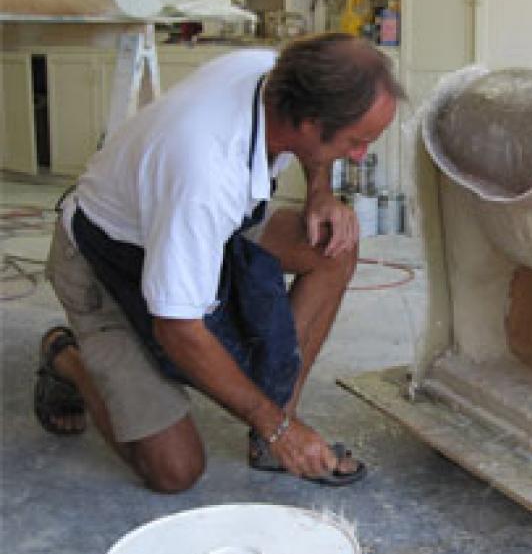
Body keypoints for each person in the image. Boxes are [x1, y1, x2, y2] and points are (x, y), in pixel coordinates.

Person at [34, 33, 404, 492]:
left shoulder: (277, 75)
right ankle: (67, 356)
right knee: (174, 470)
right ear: (309, 123)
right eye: (357, 141)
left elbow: (312, 154)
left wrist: (320, 194)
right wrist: (272, 422)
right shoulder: (204, 175)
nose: (360, 155)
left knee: (334, 245)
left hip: (196, 227)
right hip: (103, 260)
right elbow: (178, 329)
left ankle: (276, 426)